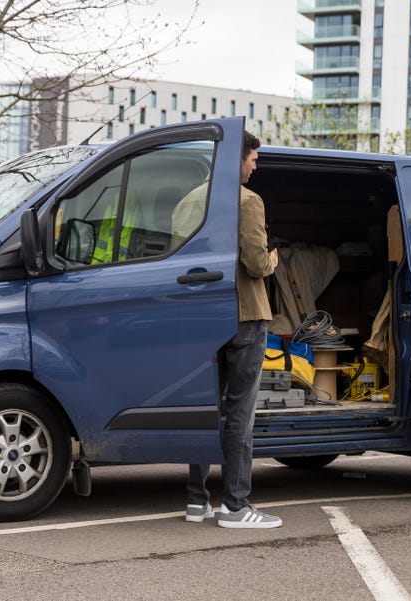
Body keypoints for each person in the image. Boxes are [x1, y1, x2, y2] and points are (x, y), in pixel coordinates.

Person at [182, 131, 282, 528]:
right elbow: (257, 264)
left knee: (205, 410)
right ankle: (237, 506)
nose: (255, 165)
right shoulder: (248, 201)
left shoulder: (187, 202)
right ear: (236, 160)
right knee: (241, 413)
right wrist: (275, 257)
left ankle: (196, 500)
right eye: (252, 158)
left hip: (200, 320)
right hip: (245, 317)